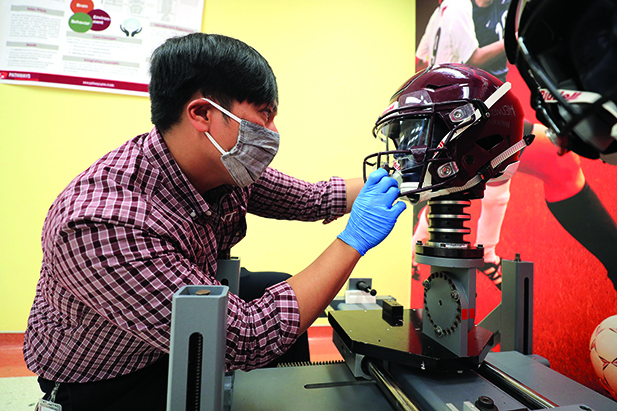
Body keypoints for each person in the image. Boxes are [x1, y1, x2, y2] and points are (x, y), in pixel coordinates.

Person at [23, 33, 406, 410]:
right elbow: (248, 338)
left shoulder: (221, 166)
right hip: (112, 375)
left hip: (171, 322)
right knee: (257, 332)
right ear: (203, 114)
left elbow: (311, 198)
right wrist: (354, 239)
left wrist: (405, 176)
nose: (272, 133)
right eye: (265, 115)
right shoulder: (101, 223)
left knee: (271, 285)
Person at [412, 0, 617, 290]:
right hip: (465, 112)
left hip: (477, 109)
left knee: (493, 176)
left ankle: (476, 250)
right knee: (555, 162)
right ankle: (479, 250)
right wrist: (515, 39)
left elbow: (421, 57)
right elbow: (473, 56)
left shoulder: (483, 6)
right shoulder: (459, 7)